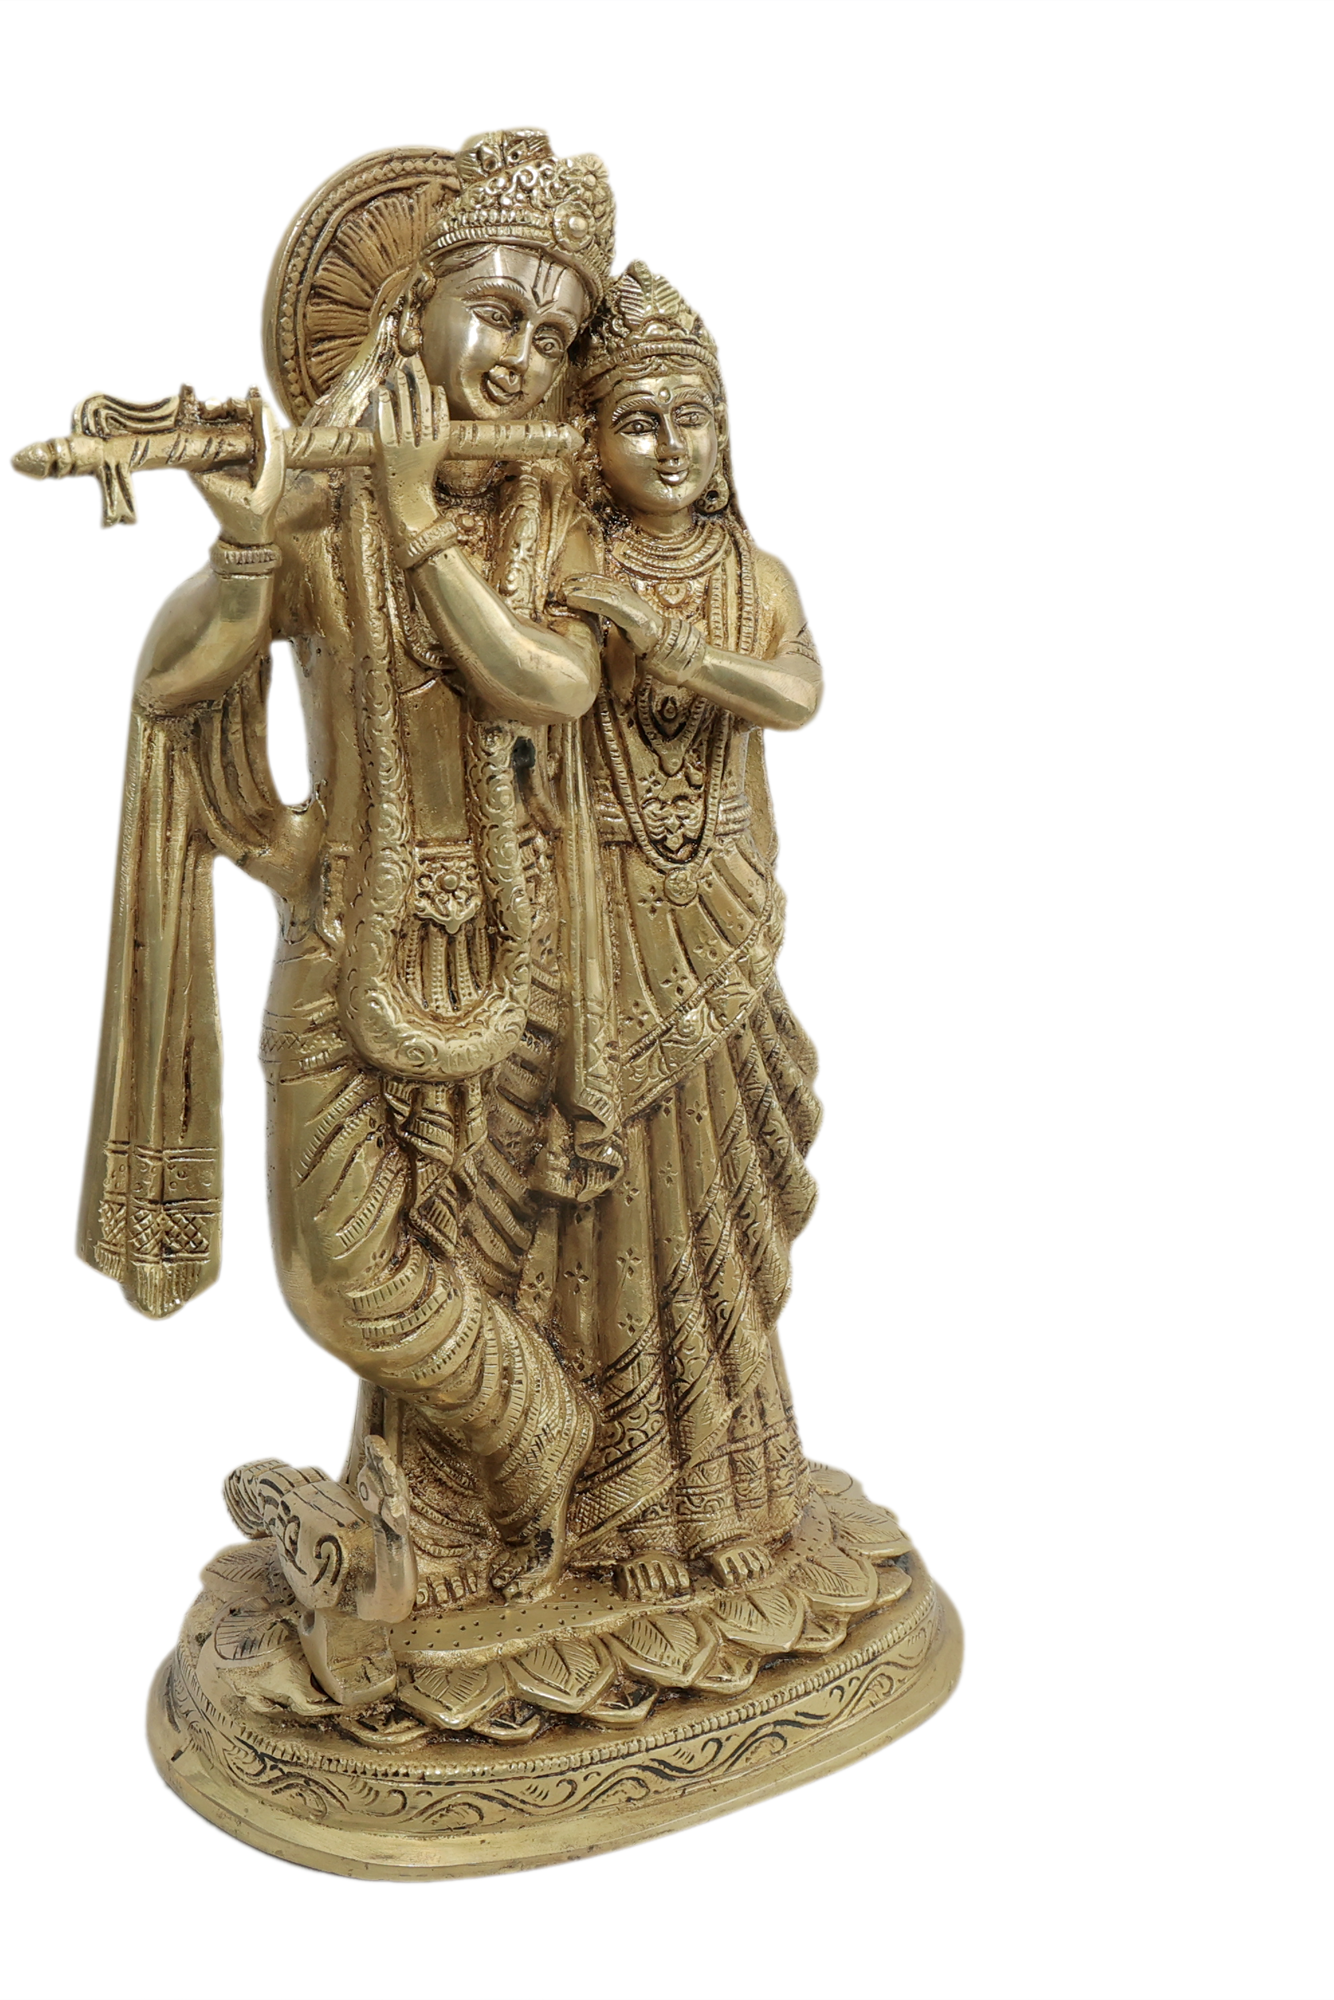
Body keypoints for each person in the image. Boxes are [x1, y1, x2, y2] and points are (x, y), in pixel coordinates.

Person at [86, 133, 618, 1598]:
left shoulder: (553, 506)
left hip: (527, 938)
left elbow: (553, 685)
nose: (520, 357)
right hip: (343, 926)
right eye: (496, 313)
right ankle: (544, 1433)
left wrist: (420, 514)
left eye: (553, 336)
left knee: (498, 1251)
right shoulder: (319, 497)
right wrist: (250, 551)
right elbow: (173, 679)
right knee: (336, 1278)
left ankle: (483, 1522)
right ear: (413, 307)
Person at [557, 263, 827, 1600]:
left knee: (717, 1196)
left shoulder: (752, 576)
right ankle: (620, 1518)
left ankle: (730, 1498)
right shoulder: (566, 568)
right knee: (622, 1205)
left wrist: (673, 650)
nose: (674, 447)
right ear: (591, 444)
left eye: (696, 417)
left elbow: (799, 695)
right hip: (608, 918)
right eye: (640, 422)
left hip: (720, 910)